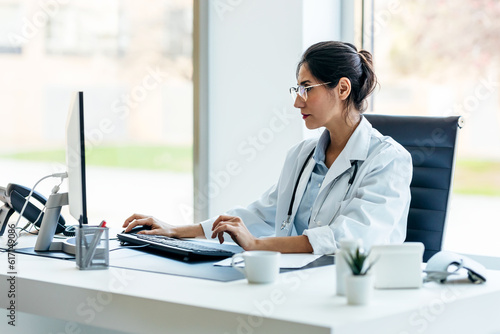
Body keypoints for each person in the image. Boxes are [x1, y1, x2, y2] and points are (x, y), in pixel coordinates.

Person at [123, 41, 412, 255]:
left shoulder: (389, 160)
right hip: (293, 281)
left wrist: (257, 245)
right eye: (297, 90)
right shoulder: (302, 155)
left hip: (349, 293)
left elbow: (352, 238)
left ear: (342, 89)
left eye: (307, 88)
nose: (298, 101)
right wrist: (175, 231)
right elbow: (261, 215)